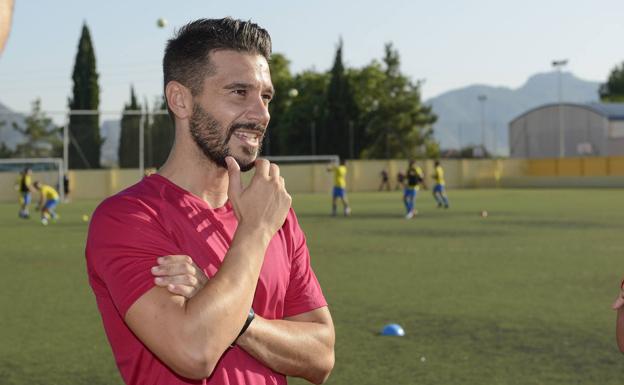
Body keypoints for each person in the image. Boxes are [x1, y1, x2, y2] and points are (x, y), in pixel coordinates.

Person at [85, 18, 334, 385]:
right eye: (238, 92)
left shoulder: (274, 214)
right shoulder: (128, 218)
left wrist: (238, 317)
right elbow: (194, 351)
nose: (261, 113)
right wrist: (254, 231)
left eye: (265, 96)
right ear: (180, 100)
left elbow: (321, 355)